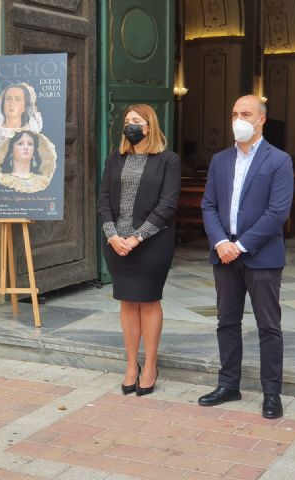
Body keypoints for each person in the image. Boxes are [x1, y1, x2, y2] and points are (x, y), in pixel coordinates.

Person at [198, 95, 293, 419]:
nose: (239, 118)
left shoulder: (278, 160)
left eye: (246, 113)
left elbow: (277, 212)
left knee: (269, 326)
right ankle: (229, 384)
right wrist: (221, 242)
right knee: (226, 322)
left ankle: (271, 393)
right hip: (224, 255)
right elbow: (208, 205)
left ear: (261, 119)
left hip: (262, 256)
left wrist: (241, 245)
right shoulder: (220, 160)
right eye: (235, 113)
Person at [97, 104, 181, 397]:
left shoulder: (168, 160)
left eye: (136, 121)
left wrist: (136, 238)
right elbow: (104, 201)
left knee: (148, 301)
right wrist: (113, 236)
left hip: (153, 243)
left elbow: (167, 206)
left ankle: (151, 365)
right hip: (116, 243)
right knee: (127, 302)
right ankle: (131, 365)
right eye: (127, 120)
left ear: (149, 127)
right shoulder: (115, 159)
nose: (130, 125)